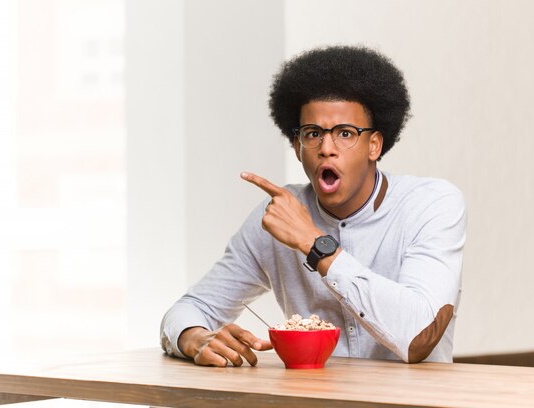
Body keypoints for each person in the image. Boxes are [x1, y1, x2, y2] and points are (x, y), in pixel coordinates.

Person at [160, 45, 466, 366]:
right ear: (297, 147)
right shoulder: (278, 215)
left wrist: (313, 244)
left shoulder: (432, 205)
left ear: (374, 144)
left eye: (345, 133)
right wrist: (193, 337)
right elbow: (191, 307)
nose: (326, 148)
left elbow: (419, 337)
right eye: (313, 133)